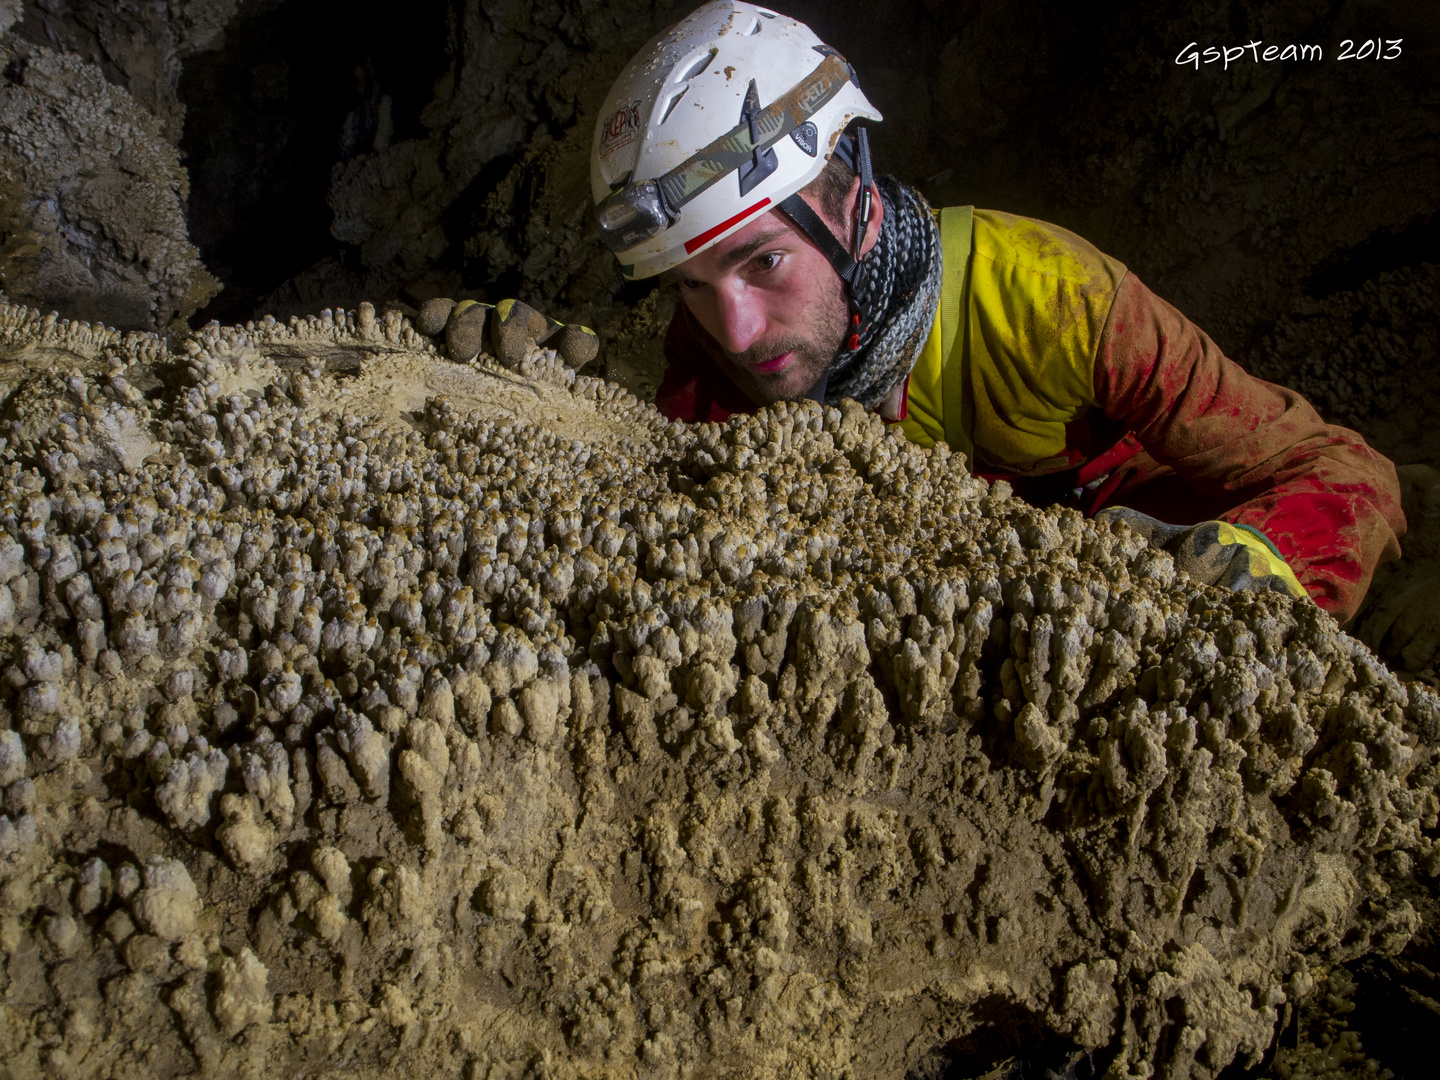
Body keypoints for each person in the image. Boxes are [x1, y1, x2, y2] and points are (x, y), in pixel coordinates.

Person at [584, 0, 1403, 625]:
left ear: (855, 200)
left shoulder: (1052, 297)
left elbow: (1340, 472)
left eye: (763, 262)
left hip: (1132, 532)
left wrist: (1249, 570)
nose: (736, 332)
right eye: (690, 285)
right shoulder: (712, 339)